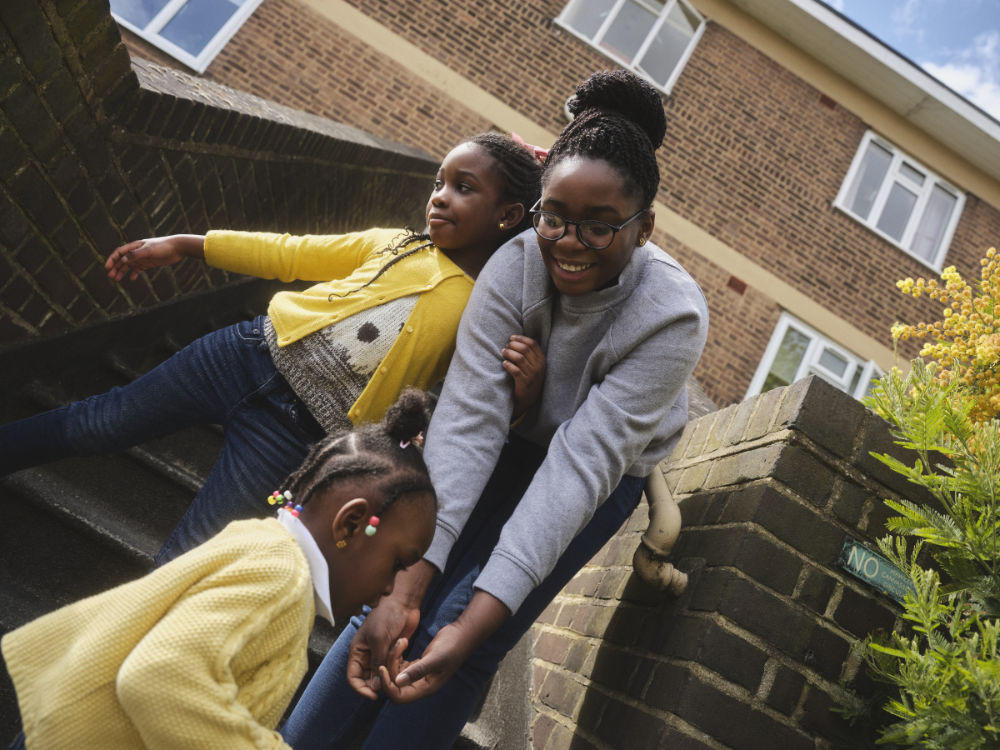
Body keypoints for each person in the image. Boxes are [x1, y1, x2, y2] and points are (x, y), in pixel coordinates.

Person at [280, 69, 710, 749]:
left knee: (467, 634)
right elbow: (468, 427)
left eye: (601, 227)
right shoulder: (515, 265)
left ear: (645, 225)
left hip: (599, 476)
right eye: (555, 216)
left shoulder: (672, 315)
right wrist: (403, 587)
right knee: (393, 604)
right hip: (508, 429)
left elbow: (577, 471)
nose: (569, 242)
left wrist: (472, 629)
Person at [0, 132, 542, 563]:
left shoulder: (486, 312)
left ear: (509, 215)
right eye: (439, 181)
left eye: (464, 187)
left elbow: (471, 411)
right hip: (242, 356)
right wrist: (187, 245)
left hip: (293, 440)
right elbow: (290, 254)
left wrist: (523, 395)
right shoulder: (395, 243)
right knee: (97, 422)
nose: (440, 195)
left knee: (184, 561)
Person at [2, 390, 437, 750]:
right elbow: (158, 677)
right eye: (398, 563)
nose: (388, 589)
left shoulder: (268, 553)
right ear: (353, 523)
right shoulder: (281, 577)